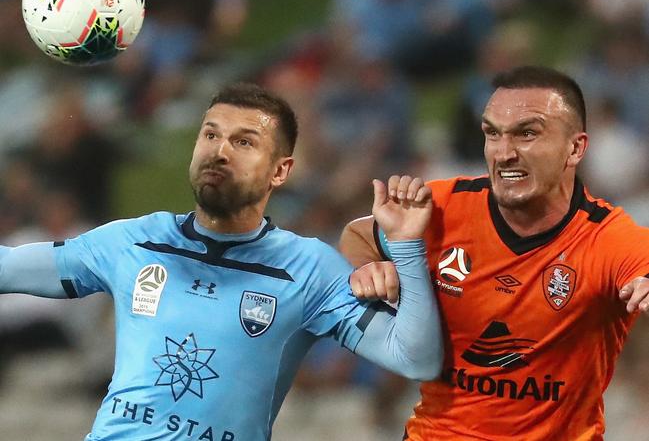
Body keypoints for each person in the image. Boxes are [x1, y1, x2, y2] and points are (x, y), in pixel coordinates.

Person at [0, 83, 443, 440]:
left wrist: (405, 247)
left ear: (280, 171)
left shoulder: (308, 269)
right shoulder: (134, 241)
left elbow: (416, 359)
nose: (219, 151)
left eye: (243, 141)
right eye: (210, 134)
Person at [339, 65, 649, 440]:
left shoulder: (606, 237)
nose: (504, 153)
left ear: (575, 147)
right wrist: (371, 266)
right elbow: (356, 234)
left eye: (527, 134)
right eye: (492, 134)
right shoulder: (442, 206)